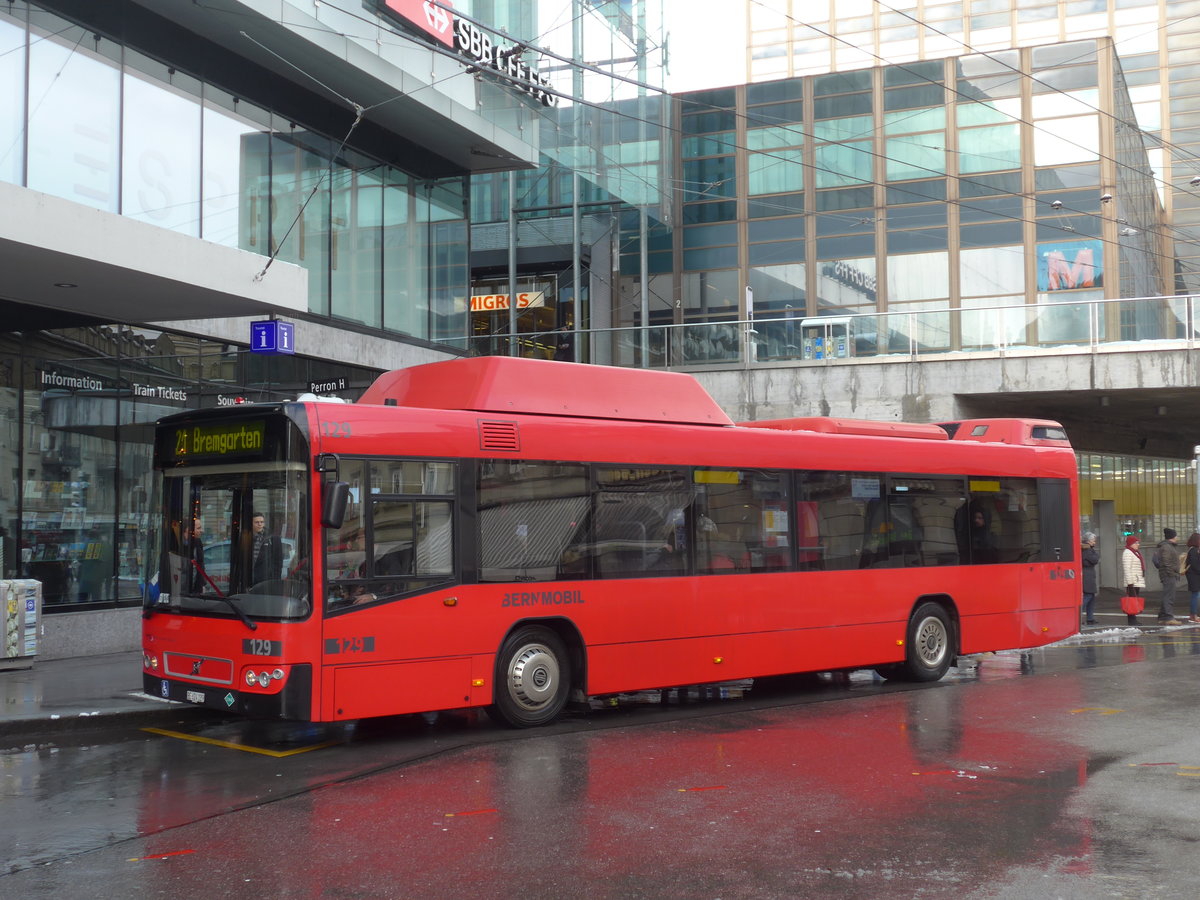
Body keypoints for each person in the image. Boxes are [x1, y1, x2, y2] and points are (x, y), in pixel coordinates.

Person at [1153, 527, 1183, 626]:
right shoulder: (1166, 547)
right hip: (1168, 575)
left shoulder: (1169, 546)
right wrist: (1171, 573)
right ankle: (1168, 617)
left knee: (1168, 595)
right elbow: (1166, 562)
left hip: (1169, 574)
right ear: (1172, 537)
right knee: (1169, 596)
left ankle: (1162, 617)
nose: (1177, 537)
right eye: (1176, 536)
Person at [250, 512, 284, 584]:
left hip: (266, 582)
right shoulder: (246, 538)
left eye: (262, 522)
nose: (260, 524)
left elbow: (278, 562)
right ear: (251, 524)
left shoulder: (273, 538)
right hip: (249, 580)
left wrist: (275, 581)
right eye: (256, 522)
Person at [1121, 535, 1146, 626]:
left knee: (1134, 601)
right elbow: (1127, 568)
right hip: (1132, 582)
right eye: (1136, 543)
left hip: (1136, 580)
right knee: (1131, 601)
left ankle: (1134, 619)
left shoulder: (1135, 552)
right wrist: (1130, 583)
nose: (1138, 544)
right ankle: (1131, 620)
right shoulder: (1127, 552)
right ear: (1131, 543)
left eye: (1138, 542)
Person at [1080, 531, 1099, 625]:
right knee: (1088, 596)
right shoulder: (1087, 550)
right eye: (1093, 540)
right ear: (1089, 541)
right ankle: (1080, 616)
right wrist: (1096, 556)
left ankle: (1090, 618)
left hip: (1088, 575)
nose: (1094, 542)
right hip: (1087, 576)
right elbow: (1095, 559)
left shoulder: (1086, 549)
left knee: (1091, 596)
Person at [1185, 532, 1200, 624]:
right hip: (1194, 576)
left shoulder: (1194, 550)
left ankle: (1193, 614)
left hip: (1193, 575)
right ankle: (1193, 615)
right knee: (1195, 595)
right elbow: (1195, 564)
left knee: (1195, 595)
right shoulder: (1193, 550)